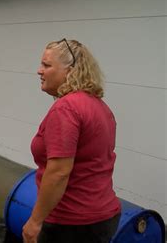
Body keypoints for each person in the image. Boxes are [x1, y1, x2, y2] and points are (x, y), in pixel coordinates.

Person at [22, 39, 121, 243]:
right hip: (104, 217)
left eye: (47, 65)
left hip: (71, 223)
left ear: (71, 70)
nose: (39, 71)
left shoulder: (66, 108)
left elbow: (58, 172)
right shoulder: (100, 106)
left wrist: (35, 221)